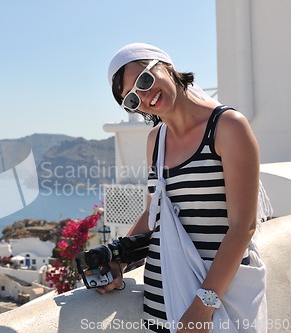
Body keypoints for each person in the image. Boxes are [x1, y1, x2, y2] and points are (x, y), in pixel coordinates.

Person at [98, 43, 267, 333]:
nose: (144, 97)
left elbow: (243, 226)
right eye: (131, 99)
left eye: (145, 80)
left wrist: (203, 305)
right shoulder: (155, 141)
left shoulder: (228, 126)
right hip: (159, 304)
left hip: (214, 305)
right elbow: (155, 214)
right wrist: (119, 257)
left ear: (167, 67)